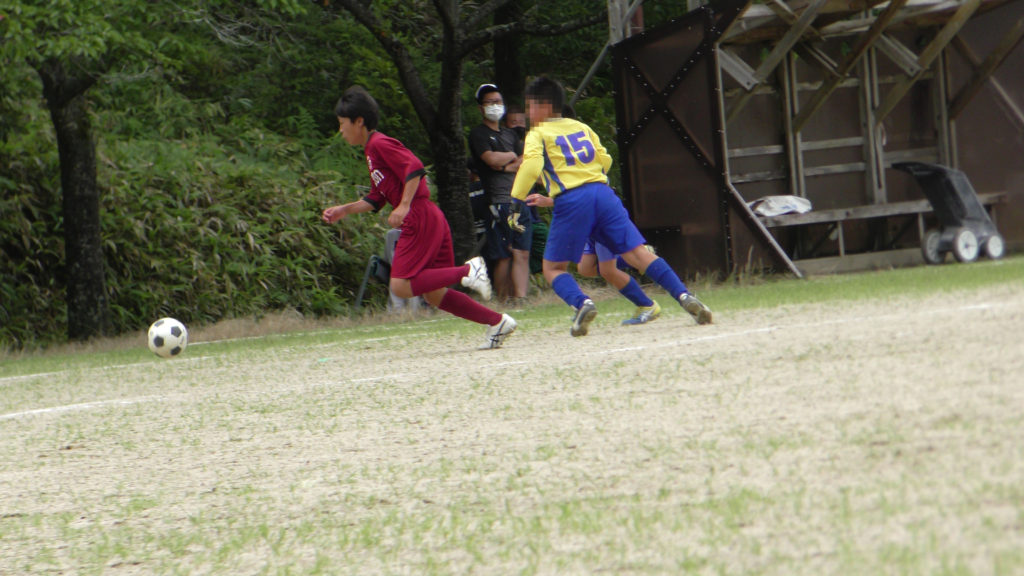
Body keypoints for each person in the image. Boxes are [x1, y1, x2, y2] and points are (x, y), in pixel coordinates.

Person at [508, 76, 712, 336]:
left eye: (531, 106)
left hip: (573, 199)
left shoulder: (538, 133)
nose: (528, 113)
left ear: (545, 106)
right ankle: (685, 296)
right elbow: (605, 160)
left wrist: (516, 200)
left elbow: (532, 166)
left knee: (553, 268)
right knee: (639, 255)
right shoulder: (582, 127)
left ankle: (582, 303)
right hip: (603, 193)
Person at [322, 86, 516, 350]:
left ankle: (469, 270)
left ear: (359, 121)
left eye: (342, 123)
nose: (340, 130)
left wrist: (403, 206)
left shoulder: (379, 143)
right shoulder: (370, 151)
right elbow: (376, 197)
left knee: (400, 286)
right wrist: (343, 210)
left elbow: (415, 167)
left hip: (419, 216)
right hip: (429, 217)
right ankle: (497, 322)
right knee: (435, 295)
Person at [527, 193, 660, 325]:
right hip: (584, 216)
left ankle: (646, 302)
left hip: (596, 214)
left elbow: (578, 189)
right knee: (586, 269)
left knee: (607, 270)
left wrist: (548, 199)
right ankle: (635, 261)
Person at [467, 83, 532, 306]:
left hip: (519, 200)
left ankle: (521, 299)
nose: (495, 106)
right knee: (503, 255)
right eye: (490, 102)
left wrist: (504, 164)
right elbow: (490, 159)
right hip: (497, 201)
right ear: (481, 108)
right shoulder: (478, 134)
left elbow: (525, 160)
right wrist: (510, 158)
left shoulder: (510, 134)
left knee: (521, 252)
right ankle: (502, 301)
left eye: (498, 102)